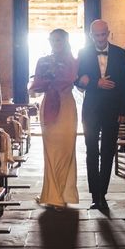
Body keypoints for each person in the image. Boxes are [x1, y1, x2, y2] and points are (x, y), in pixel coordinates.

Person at [76, 19, 125, 210]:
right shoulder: (83, 53)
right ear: (91, 35)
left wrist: (124, 110)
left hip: (113, 108)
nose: (100, 38)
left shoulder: (120, 53)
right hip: (91, 108)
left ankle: (103, 194)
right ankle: (94, 195)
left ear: (108, 33)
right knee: (91, 150)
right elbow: (77, 79)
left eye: (103, 34)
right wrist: (95, 83)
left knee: (108, 151)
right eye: (97, 35)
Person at [29, 29, 79, 210]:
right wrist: (38, 84)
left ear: (65, 41)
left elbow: (73, 79)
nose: (56, 43)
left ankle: (62, 193)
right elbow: (36, 86)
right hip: (49, 104)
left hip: (66, 105)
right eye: (53, 40)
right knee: (50, 151)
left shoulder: (73, 61)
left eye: (59, 40)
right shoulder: (42, 61)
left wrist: (54, 80)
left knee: (66, 149)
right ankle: (52, 194)